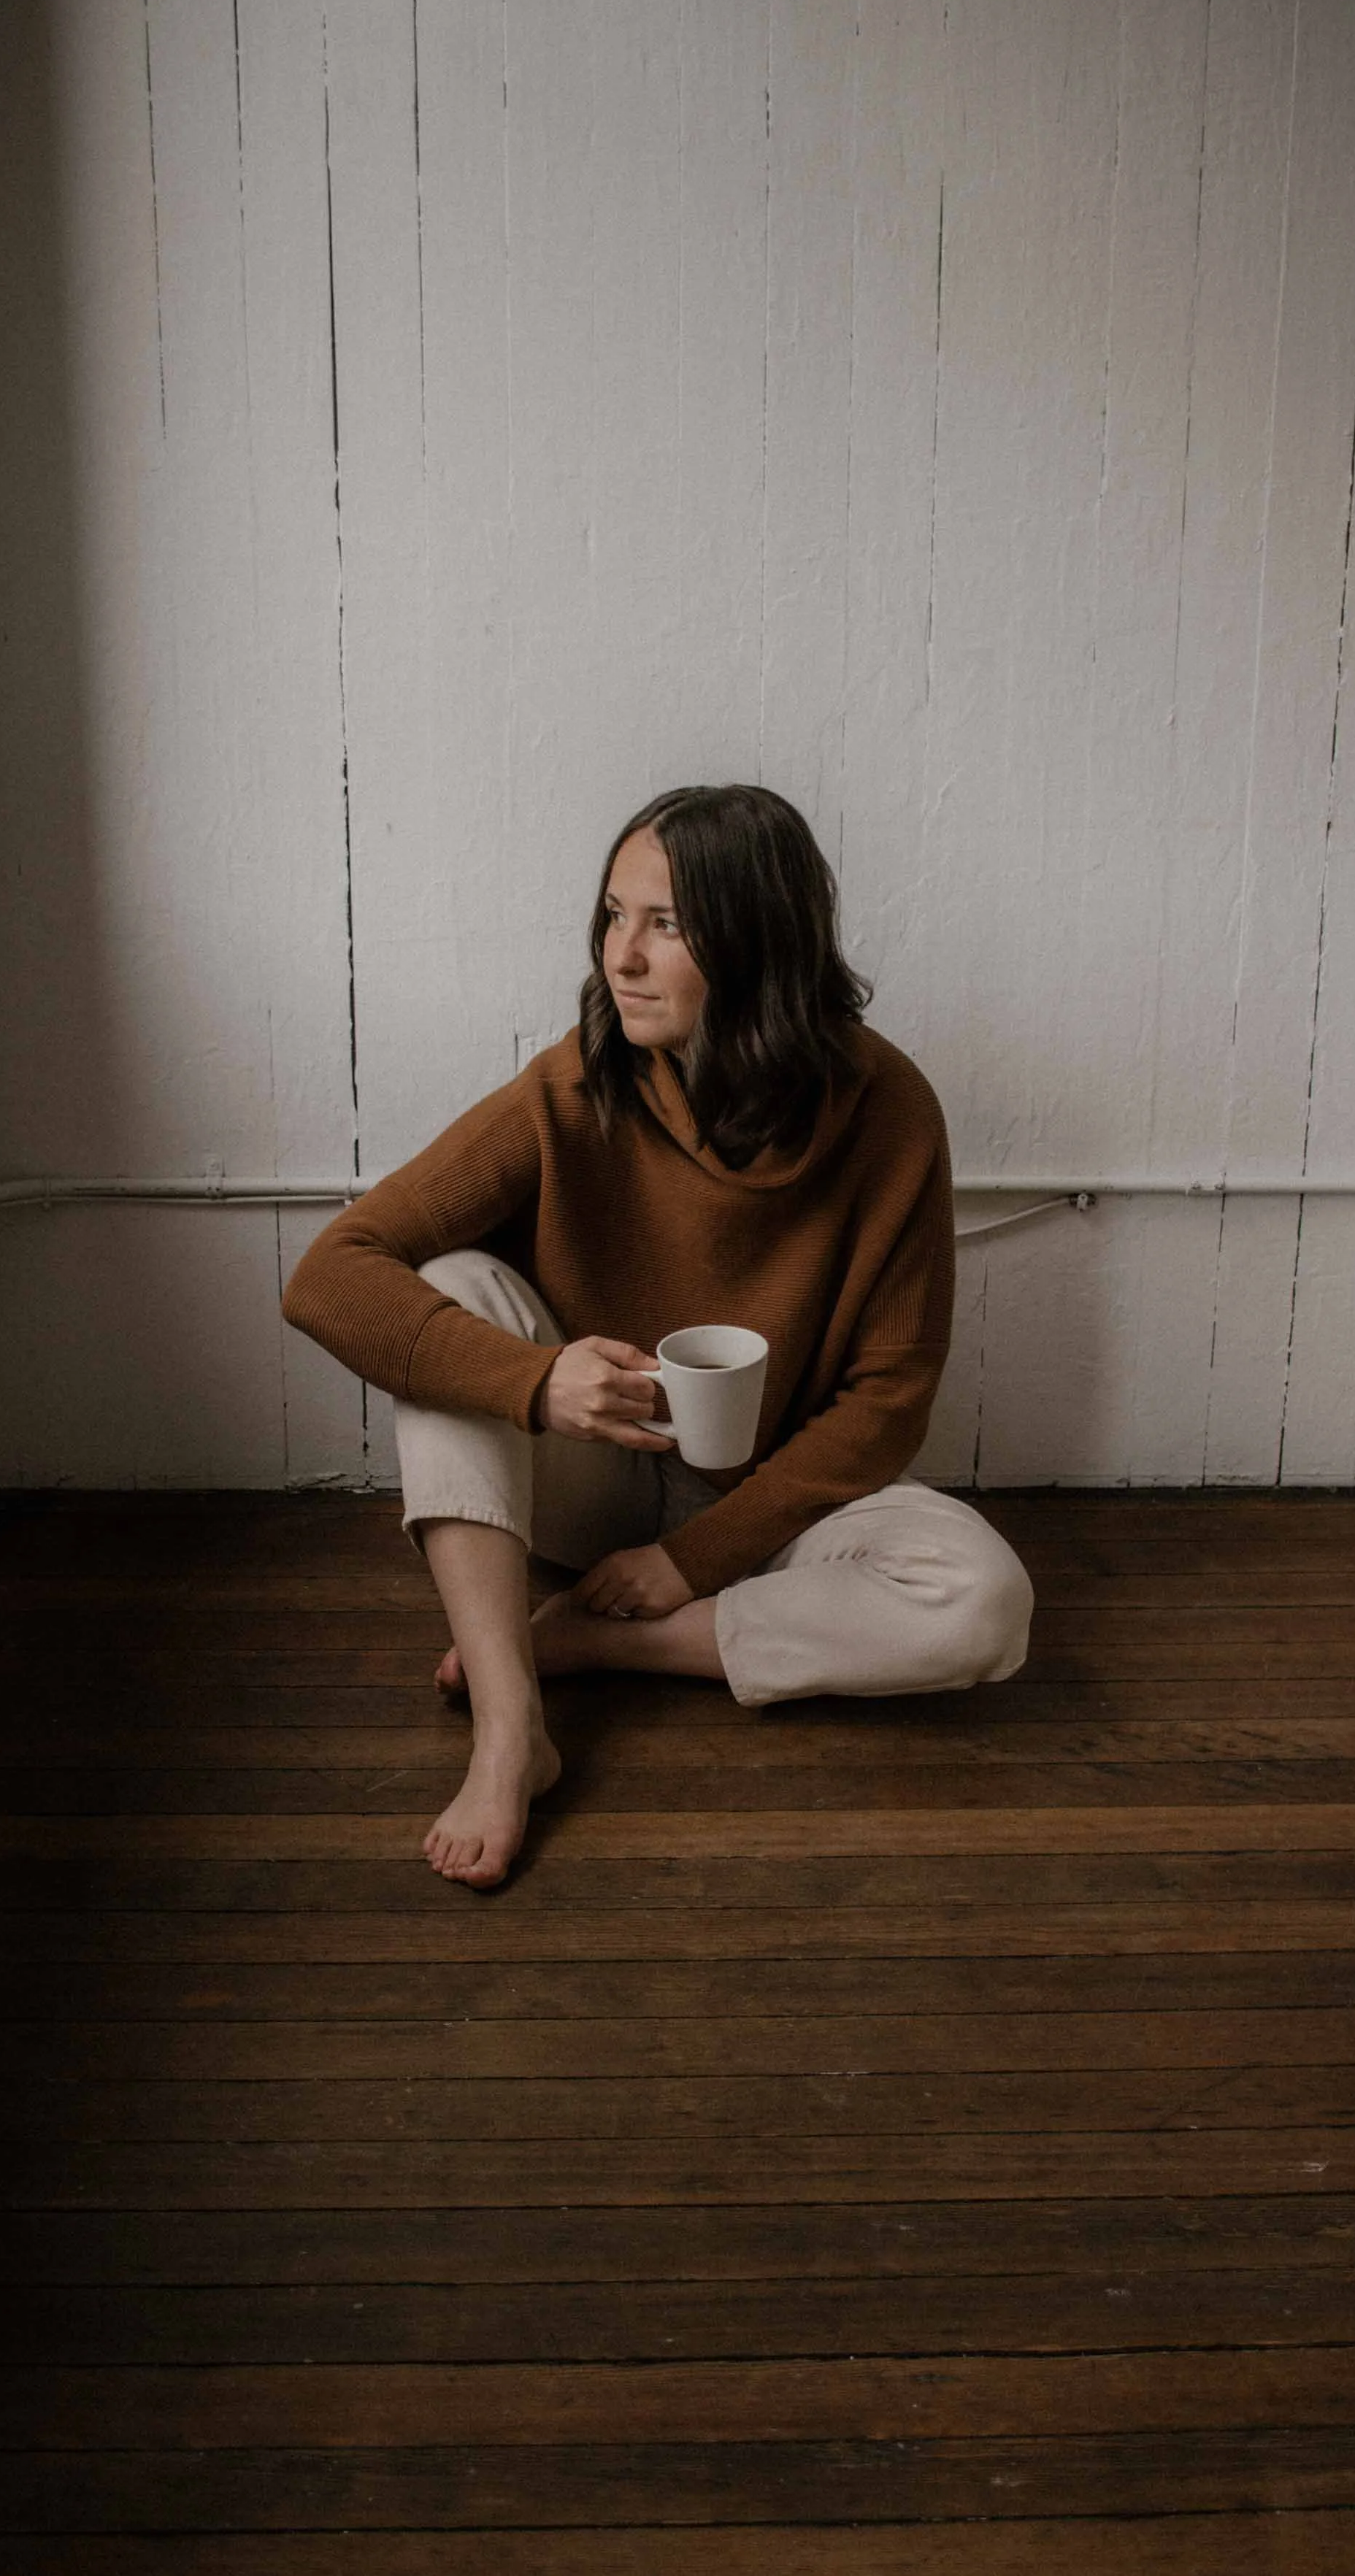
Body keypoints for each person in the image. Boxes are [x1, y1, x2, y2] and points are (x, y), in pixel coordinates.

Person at [281, 784, 1033, 1889]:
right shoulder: (573, 1085)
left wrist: (688, 1566)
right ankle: (510, 1724)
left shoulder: (890, 1111)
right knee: (450, 1289)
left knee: (985, 1598)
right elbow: (329, 1276)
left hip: (772, 1498)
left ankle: (595, 1642)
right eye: (611, 915)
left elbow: (889, 1402)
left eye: (665, 925)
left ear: (759, 941)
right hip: (600, 1475)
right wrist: (539, 1382)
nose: (620, 957)